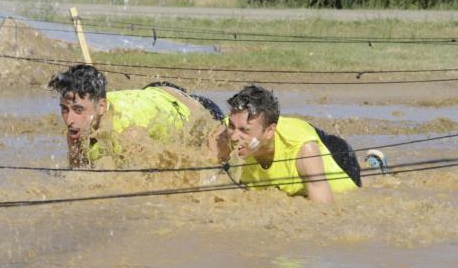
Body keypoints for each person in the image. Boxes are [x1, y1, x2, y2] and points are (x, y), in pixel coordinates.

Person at [48, 64, 225, 168]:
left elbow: (161, 177)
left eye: (78, 110)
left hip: (200, 110)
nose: (69, 120)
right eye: (64, 109)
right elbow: (78, 174)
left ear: (101, 106)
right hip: (155, 94)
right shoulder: (78, 127)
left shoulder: (129, 134)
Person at [225, 85, 362, 203]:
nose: (234, 137)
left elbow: (324, 213)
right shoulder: (224, 133)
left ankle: (376, 163)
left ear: (269, 132)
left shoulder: (305, 151)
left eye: (244, 130)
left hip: (339, 161)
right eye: (232, 126)